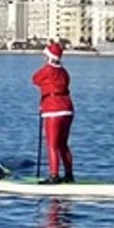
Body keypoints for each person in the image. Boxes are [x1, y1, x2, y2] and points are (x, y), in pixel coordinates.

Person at [32, 40, 74, 183]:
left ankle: (54, 175)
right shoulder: (64, 72)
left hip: (53, 109)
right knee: (63, 144)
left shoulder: (48, 70)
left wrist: (48, 67)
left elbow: (35, 79)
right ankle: (69, 174)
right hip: (67, 108)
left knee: (52, 144)